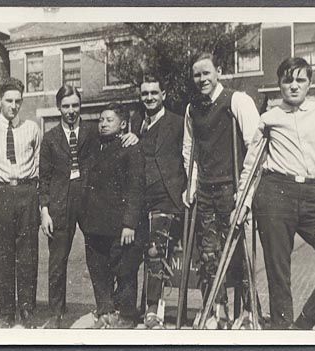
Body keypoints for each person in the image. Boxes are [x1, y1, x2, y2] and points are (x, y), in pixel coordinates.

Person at [235, 57, 315, 330]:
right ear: (279, 84)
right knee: (279, 275)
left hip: (313, 198)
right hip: (274, 195)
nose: (293, 86)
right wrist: (241, 204)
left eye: (300, 80)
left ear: (309, 83)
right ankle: (283, 333)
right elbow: (250, 165)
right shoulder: (268, 119)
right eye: (287, 80)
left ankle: (302, 325)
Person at [39, 85, 139, 328]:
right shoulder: (50, 138)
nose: (71, 111)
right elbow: (44, 178)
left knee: (101, 254)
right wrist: (44, 211)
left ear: (79, 106)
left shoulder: (93, 132)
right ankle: (56, 314)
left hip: (90, 202)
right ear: (58, 108)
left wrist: (133, 135)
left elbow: (119, 132)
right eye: (66, 106)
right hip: (61, 203)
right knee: (57, 260)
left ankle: (108, 309)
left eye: (75, 105)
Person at [183, 51, 260, 328]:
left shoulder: (237, 101)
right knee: (208, 253)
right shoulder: (193, 109)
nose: (202, 79)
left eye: (206, 73)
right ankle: (218, 310)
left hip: (232, 189)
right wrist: (190, 185)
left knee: (239, 252)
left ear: (218, 71)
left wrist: (246, 191)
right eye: (197, 74)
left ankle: (250, 312)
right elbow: (189, 148)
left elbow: (255, 145)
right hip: (205, 189)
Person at [0, 78, 41, 328]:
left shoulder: (32, 128)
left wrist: (34, 196)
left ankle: (27, 309)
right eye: (9, 100)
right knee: (3, 255)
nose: (14, 106)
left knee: (27, 254)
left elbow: (38, 162)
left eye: (18, 101)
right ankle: (6, 312)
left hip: (27, 192)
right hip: (1, 194)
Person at [80, 103, 145, 329]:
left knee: (125, 269)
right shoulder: (94, 146)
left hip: (119, 224)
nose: (103, 124)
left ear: (123, 124)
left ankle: (126, 316)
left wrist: (130, 223)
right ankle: (105, 312)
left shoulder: (130, 147)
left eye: (109, 120)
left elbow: (135, 187)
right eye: (101, 120)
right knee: (99, 270)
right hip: (95, 223)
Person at [130, 73, 186, 329]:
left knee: (155, 251)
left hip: (167, 198)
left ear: (163, 94)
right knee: (137, 253)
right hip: (142, 200)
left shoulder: (177, 122)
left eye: (154, 93)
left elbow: (188, 156)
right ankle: (137, 307)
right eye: (145, 94)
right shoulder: (136, 123)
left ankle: (153, 310)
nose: (149, 98)